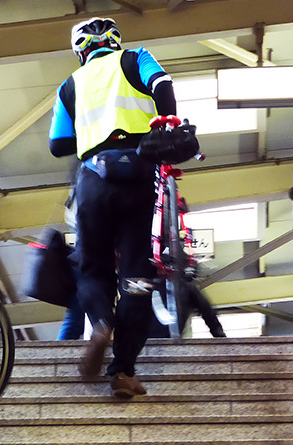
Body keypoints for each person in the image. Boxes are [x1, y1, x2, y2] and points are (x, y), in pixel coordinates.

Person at [48, 17, 178, 398]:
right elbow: (163, 85)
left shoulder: (69, 85)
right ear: (114, 40)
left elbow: (58, 144)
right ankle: (123, 370)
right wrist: (164, 123)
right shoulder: (136, 58)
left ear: (80, 49)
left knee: (93, 267)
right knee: (137, 273)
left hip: (93, 179)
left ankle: (101, 322)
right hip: (140, 171)